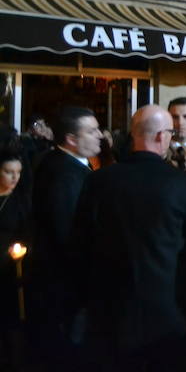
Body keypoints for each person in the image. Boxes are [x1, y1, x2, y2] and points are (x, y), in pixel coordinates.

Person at [69, 105, 186, 371]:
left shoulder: (99, 181)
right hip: (164, 310)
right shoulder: (180, 184)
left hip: (109, 308)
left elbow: (80, 242)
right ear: (161, 136)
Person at [30, 106, 102, 370]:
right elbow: (69, 232)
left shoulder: (63, 165)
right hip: (65, 287)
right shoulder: (64, 175)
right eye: (92, 131)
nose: (100, 136)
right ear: (71, 139)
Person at [0, 149, 29, 371]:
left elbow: (27, 233)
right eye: (9, 172)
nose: (14, 178)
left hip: (10, 269)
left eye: (18, 172)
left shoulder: (20, 201)